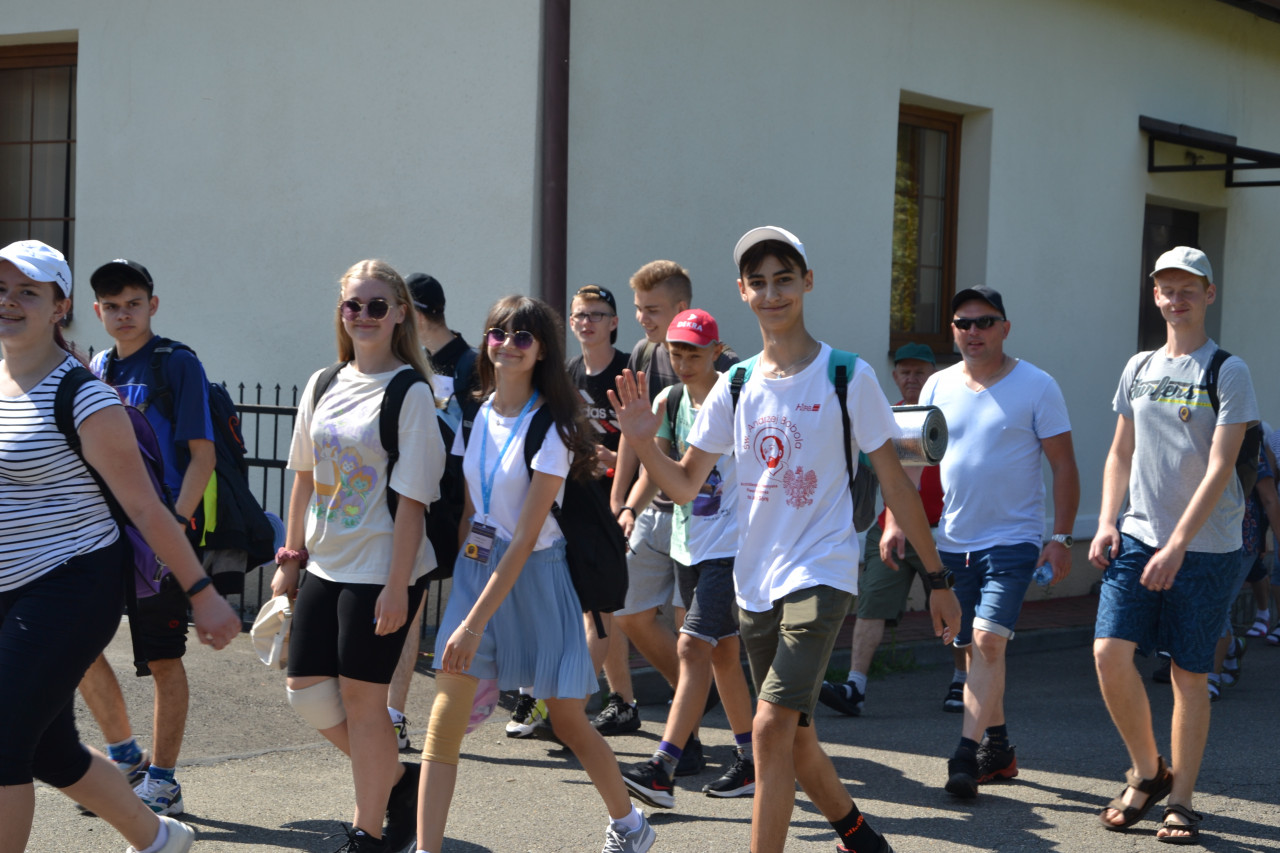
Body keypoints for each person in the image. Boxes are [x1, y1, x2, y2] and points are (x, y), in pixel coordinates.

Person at [610, 226, 960, 853]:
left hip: (822, 572)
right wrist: (641, 441)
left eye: (784, 279)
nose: (772, 293)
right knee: (795, 736)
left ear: (807, 283)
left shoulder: (847, 374)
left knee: (769, 726)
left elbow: (895, 484)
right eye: (759, 282)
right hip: (753, 581)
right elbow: (685, 484)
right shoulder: (736, 383)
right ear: (743, 291)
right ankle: (859, 836)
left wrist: (937, 579)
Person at [0, 239, 240, 853]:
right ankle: (159, 839)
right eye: (1, 289)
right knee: (51, 751)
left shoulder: (85, 395)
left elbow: (145, 507)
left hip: (70, 584)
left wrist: (203, 593)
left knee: (5, 742)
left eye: (27, 291)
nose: (9, 301)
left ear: (60, 306)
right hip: (9, 585)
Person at [414, 295, 656, 853]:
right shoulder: (477, 413)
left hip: (537, 578)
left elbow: (524, 539)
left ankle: (630, 825)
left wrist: (472, 624)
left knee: (567, 720)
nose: (508, 345)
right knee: (443, 721)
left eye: (523, 337)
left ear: (542, 350)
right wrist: (465, 589)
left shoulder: (553, 426)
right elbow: (473, 512)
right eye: (498, 333)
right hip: (480, 571)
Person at [271, 259, 446, 853]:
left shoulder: (410, 391)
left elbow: (414, 501)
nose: (364, 315)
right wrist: (291, 556)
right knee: (304, 689)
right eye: (354, 305)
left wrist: (398, 586)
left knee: (365, 703)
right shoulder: (323, 383)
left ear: (399, 314)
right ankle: (397, 780)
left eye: (377, 306)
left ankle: (367, 832)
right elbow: (302, 475)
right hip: (325, 561)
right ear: (341, 312)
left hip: (381, 568)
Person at [1090, 247, 1258, 843]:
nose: (1176, 298)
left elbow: (1221, 466)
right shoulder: (1138, 366)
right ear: (1155, 294)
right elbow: (1120, 452)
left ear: (1209, 294)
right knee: (1109, 653)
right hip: (1139, 535)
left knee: (1188, 672)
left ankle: (1181, 800)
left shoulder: (1228, 370)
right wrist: (1106, 521)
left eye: (1189, 289)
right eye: (1167, 288)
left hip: (1207, 547)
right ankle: (1147, 771)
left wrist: (1179, 544)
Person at [896, 286, 1078, 799]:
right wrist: (893, 523)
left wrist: (1061, 538)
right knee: (969, 648)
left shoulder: (1037, 385)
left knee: (988, 641)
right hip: (954, 541)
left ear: (1005, 328)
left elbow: (1064, 465)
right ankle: (998, 749)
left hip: (1013, 540)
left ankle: (964, 755)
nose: (973, 331)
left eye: (985, 321)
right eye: (963, 323)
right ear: (954, 331)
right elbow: (910, 461)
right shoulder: (937, 384)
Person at [74, 258, 220, 816]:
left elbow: (202, 456)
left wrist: (174, 528)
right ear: (97, 312)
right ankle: (127, 761)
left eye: (133, 303)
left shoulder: (176, 363)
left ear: (152, 305)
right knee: (79, 647)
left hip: (160, 536)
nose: (123, 314)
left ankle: (164, 782)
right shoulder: (98, 367)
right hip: (104, 534)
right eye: (112, 306)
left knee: (162, 659)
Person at [618, 309, 757, 809]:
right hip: (688, 546)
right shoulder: (670, 400)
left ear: (716, 351)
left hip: (729, 549)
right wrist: (629, 509)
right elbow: (656, 470)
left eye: (693, 353)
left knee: (692, 649)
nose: (682, 361)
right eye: (675, 352)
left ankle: (663, 767)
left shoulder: (737, 399)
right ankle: (751, 762)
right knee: (722, 655)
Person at [603, 262, 737, 771]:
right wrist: (624, 505)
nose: (642, 319)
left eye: (652, 310)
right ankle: (701, 722)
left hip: (714, 532)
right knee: (638, 617)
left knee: (700, 646)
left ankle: (681, 752)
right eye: (638, 309)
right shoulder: (650, 363)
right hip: (669, 520)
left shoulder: (733, 381)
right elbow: (642, 446)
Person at [819, 342, 969, 717]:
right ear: (895, 376)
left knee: (953, 605)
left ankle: (962, 680)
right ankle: (855, 686)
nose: (912, 379)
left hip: (946, 529)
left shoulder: (952, 416)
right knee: (871, 604)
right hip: (888, 529)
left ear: (933, 374)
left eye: (920, 372)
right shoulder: (884, 417)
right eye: (905, 372)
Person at [385, 272, 479, 751]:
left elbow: (481, 440)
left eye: (399, 308)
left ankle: (532, 691)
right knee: (408, 598)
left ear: (418, 313)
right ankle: (393, 715)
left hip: (457, 505)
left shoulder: (470, 364)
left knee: (478, 603)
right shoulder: (405, 361)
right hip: (411, 497)